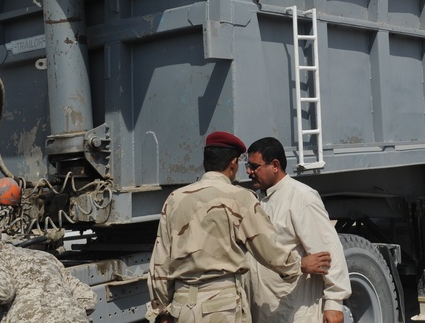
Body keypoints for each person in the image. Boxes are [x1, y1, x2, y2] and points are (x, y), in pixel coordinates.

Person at [147, 131, 332, 323]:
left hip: (182, 306)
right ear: (233, 163)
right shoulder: (240, 197)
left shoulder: (175, 199)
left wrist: (161, 309)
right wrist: (299, 264)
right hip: (222, 307)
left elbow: (160, 261)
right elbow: (266, 248)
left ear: (205, 163)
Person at [246, 137, 350, 323]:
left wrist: (334, 303)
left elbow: (328, 251)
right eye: (248, 166)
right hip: (265, 308)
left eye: (255, 167)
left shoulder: (301, 197)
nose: (249, 172)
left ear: (275, 165)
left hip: (295, 310)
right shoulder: (258, 200)